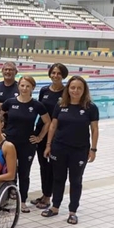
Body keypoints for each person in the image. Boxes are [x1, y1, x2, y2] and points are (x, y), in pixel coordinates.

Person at [42, 76, 99, 225]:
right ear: (68, 89)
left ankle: (72, 211)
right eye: (73, 87)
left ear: (84, 90)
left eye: (79, 88)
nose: (75, 91)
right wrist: (48, 145)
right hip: (59, 148)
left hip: (79, 150)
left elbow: (94, 129)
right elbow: (53, 126)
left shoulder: (90, 107)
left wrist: (93, 149)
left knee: (76, 180)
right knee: (58, 179)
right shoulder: (61, 105)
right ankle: (55, 207)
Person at [1, 76, 50, 213]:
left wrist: (40, 137)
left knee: (24, 173)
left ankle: (22, 201)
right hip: (10, 143)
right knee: (9, 172)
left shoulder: (36, 105)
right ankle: (6, 198)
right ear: (19, 86)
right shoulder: (9, 102)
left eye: (28, 86)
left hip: (27, 144)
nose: (24, 88)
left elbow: (48, 122)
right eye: (22, 85)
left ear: (33, 88)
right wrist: (1, 132)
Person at [31, 63, 68, 209]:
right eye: (53, 73)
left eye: (59, 73)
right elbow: (40, 110)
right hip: (41, 129)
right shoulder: (44, 90)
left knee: (51, 165)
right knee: (42, 164)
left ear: (63, 75)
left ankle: (48, 196)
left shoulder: (66, 93)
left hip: (56, 133)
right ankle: (44, 193)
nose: (56, 76)